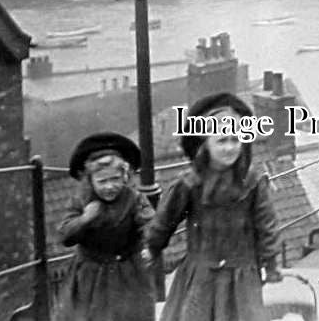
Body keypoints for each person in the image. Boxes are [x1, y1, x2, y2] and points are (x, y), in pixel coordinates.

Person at [146, 92, 281, 321]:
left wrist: (270, 263)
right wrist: (152, 247)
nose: (229, 148)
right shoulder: (189, 183)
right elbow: (165, 220)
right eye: (221, 141)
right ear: (205, 144)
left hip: (242, 275)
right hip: (201, 275)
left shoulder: (253, 182)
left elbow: (267, 224)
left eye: (235, 140)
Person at [54, 132, 157, 321]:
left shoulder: (133, 198)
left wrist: (150, 244)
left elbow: (149, 220)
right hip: (90, 276)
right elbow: (64, 236)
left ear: (124, 177)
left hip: (128, 273)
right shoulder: (80, 200)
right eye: (102, 181)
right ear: (90, 180)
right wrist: (84, 219)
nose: (109, 186)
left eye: (115, 179)